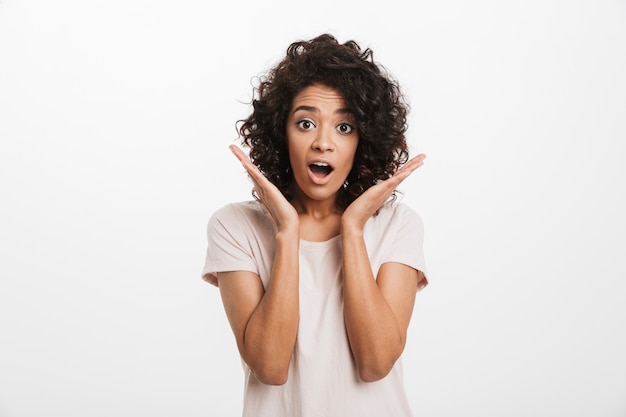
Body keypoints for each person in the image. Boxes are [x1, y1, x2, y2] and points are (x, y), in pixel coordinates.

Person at [202, 33, 429, 417]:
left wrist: (353, 228)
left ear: (363, 141)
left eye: (344, 128)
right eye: (305, 123)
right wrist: (287, 234)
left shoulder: (397, 225)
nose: (323, 143)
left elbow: (375, 363)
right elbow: (270, 367)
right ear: (280, 133)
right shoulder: (234, 226)